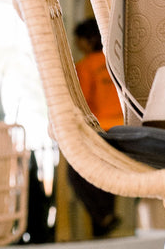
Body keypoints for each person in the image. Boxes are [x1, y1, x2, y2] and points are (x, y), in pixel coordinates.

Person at [68, 18, 123, 238]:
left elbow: (83, 102)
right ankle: (105, 221)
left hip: (99, 129)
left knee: (76, 174)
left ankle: (103, 219)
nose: (77, 44)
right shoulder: (115, 61)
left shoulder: (85, 67)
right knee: (108, 175)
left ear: (88, 40)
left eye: (79, 40)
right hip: (124, 129)